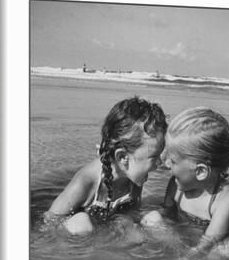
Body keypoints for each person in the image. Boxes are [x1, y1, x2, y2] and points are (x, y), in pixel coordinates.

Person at [44, 96, 167, 235]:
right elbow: (49, 219)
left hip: (102, 226)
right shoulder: (86, 181)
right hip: (78, 230)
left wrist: (126, 222)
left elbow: (131, 211)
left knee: (153, 218)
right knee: (81, 223)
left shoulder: (133, 175)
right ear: (123, 157)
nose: (160, 163)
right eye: (154, 157)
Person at [142, 107, 229, 259]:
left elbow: (210, 240)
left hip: (209, 245)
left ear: (201, 172)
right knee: (152, 217)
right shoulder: (176, 184)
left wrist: (190, 257)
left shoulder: (225, 197)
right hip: (180, 237)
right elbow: (167, 212)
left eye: (173, 160)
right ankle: (176, 252)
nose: (166, 163)